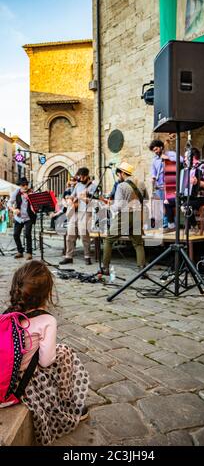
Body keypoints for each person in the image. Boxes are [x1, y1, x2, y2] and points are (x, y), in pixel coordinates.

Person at [3, 260, 89, 445]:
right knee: (65, 352)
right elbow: (46, 361)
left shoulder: (8, 314)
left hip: (4, 378)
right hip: (18, 386)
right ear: (47, 293)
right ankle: (64, 403)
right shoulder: (47, 321)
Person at [102, 161, 148, 275]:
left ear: (122, 173)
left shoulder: (121, 186)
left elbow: (119, 206)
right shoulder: (141, 183)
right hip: (137, 215)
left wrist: (109, 206)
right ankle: (142, 269)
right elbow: (146, 198)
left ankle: (105, 268)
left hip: (125, 215)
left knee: (109, 240)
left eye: (119, 175)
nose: (119, 177)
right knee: (138, 243)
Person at [164, 147, 204, 234]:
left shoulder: (203, 166)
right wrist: (180, 191)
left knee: (185, 206)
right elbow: (185, 185)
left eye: (186, 157)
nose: (185, 159)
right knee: (167, 201)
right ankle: (172, 226)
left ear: (192, 157)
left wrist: (198, 182)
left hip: (202, 197)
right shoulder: (186, 170)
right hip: (187, 197)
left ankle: (194, 226)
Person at [59, 167, 97, 265]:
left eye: (82, 177)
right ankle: (68, 256)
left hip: (86, 212)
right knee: (70, 235)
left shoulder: (93, 186)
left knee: (84, 235)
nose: (80, 178)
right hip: (75, 212)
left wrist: (84, 198)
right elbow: (73, 195)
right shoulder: (78, 185)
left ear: (87, 175)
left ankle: (87, 256)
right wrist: (69, 198)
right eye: (79, 176)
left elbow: (95, 202)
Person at [8, 177, 36, 260]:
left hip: (28, 217)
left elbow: (35, 205)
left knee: (27, 234)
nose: (25, 186)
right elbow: (9, 203)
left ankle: (29, 252)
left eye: (26, 184)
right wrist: (13, 209)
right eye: (23, 185)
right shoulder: (16, 192)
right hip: (19, 217)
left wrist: (30, 200)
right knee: (15, 234)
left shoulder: (31, 192)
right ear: (20, 186)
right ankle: (20, 251)